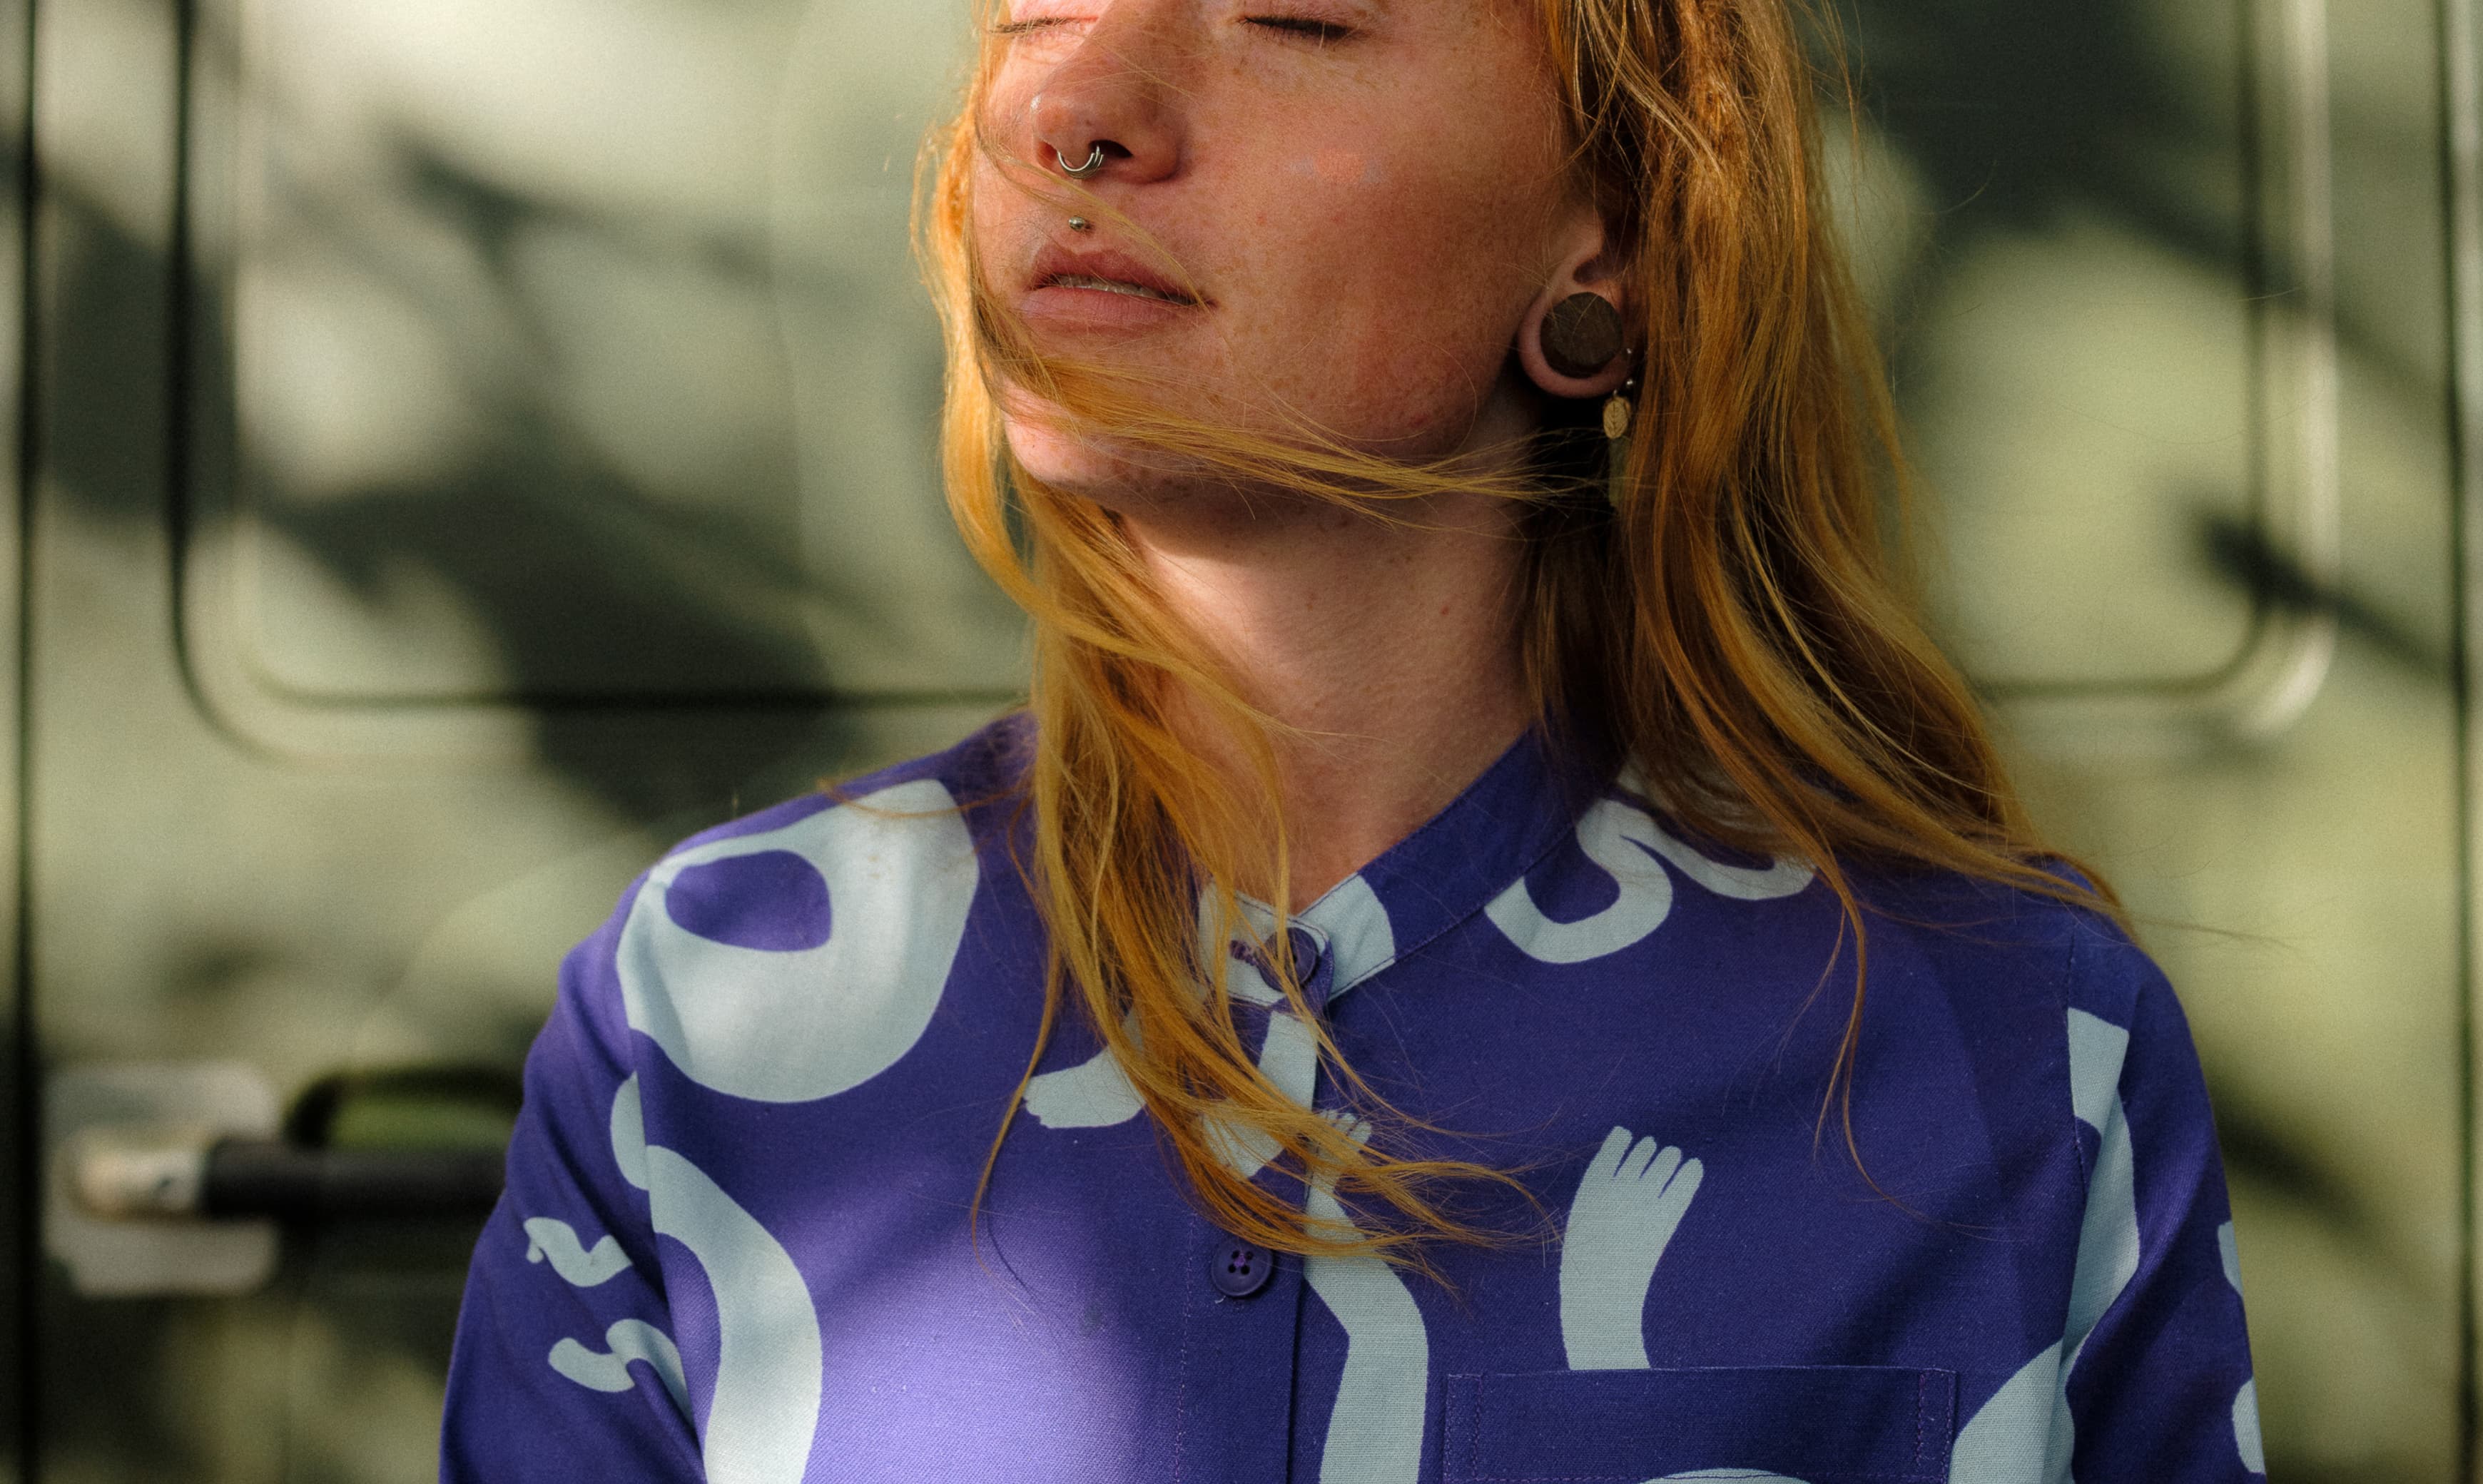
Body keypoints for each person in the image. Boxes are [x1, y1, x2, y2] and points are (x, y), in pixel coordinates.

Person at [440, 0, 2265, 1478]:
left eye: (1293, 18)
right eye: (1031, 11)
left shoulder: (2017, 1045)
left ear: (1613, 231)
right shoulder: (715, 1005)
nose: (1071, 106)